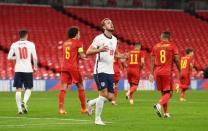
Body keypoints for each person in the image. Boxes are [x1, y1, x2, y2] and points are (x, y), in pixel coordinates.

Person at [86, 18, 127, 125]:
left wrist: (122, 56)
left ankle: (90, 103)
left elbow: (114, 54)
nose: (111, 24)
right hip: (100, 70)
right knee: (103, 94)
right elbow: (88, 51)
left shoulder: (114, 39)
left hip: (110, 71)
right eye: (108, 23)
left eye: (112, 23)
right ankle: (97, 119)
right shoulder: (99, 38)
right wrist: (99, 50)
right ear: (104, 27)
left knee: (110, 97)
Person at [149, 31, 180, 118]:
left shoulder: (156, 46)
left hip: (158, 72)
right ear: (169, 38)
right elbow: (177, 60)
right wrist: (180, 70)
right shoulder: (172, 46)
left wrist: (151, 73)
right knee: (169, 93)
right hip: (167, 72)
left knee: (164, 93)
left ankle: (166, 113)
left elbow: (152, 61)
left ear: (162, 37)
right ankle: (158, 105)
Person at [7, 29, 38, 114]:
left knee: (18, 89)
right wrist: (35, 67)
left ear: (19, 35)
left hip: (18, 70)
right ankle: (24, 102)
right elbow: (35, 58)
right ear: (26, 35)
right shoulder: (31, 44)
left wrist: (16, 57)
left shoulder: (14, 44)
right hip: (28, 69)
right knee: (29, 88)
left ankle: (19, 109)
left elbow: (9, 57)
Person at [58, 26, 87, 115]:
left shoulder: (65, 43)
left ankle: (61, 109)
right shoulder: (78, 43)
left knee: (63, 88)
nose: (79, 35)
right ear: (76, 34)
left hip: (64, 67)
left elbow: (70, 55)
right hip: (73, 67)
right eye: (79, 33)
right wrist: (87, 56)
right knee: (80, 86)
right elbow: (82, 55)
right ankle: (84, 109)